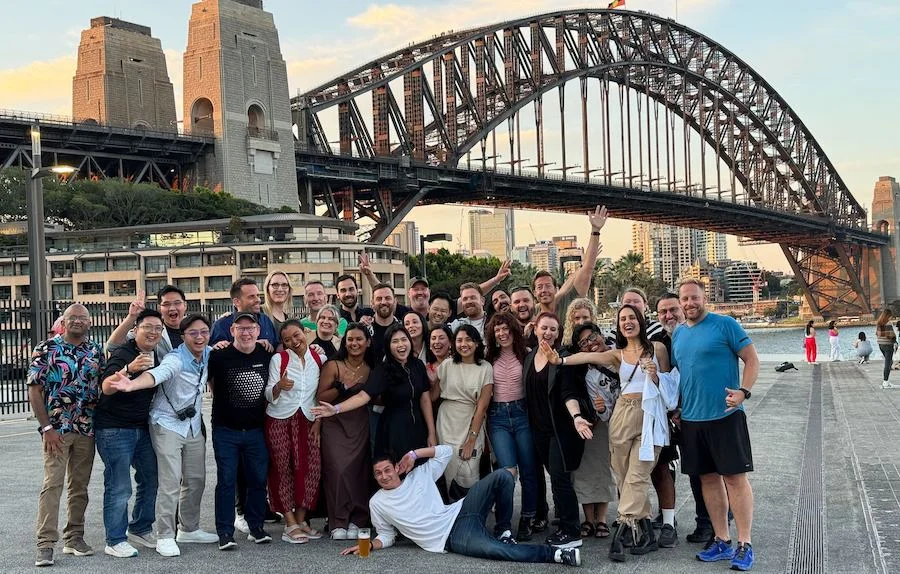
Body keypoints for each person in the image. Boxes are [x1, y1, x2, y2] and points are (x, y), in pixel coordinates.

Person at [545, 305, 674, 561]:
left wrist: (656, 377)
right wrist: (560, 360)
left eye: (631, 317)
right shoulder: (618, 354)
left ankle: (621, 532)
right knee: (626, 478)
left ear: (640, 320)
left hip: (649, 415)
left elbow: (672, 385)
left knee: (637, 477)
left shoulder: (657, 349)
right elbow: (586, 358)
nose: (627, 322)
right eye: (622, 319)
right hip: (622, 416)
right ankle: (646, 532)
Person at [337, 446, 581, 566]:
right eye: (378, 473)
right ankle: (557, 555)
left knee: (504, 475)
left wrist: (413, 454)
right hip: (452, 537)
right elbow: (387, 535)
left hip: (461, 510)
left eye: (387, 469)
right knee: (498, 552)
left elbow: (446, 451)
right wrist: (370, 545)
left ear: (396, 467)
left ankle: (504, 530)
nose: (383, 476)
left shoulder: (419, 474)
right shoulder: (377, 502)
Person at [104, 314, 219, 557]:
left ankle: (189, 528)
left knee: (196, 478)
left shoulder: (209, 352)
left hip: (193, 425)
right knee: (170, 480)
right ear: (183, 336)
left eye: (204, 332)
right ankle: (165, 535)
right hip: (167, 424)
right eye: (193, 333)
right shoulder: (175, 358)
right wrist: (132, 384)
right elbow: (157, 374)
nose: (199, 337)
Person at [673, 279, 759, 571]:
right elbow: (683, 374)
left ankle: (744, 543)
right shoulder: (679, 335)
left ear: (704, 298)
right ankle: (721, 539)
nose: (689, 304)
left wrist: (743, 391)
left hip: (725, 416)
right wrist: (677, 407)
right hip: (692, 421)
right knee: (708, 480)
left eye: (694, 298)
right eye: (684, 299)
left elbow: (752, 359)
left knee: (735, 479)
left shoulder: (726, 325)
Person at [28, 304, 105, 567]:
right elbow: (35, 389)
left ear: (89, 322)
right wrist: (46, 428)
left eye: (82, 318)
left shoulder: (95, 350)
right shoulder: (47, 348)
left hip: (86, 428)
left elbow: (102, 385)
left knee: (79, 486)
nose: (77, 322)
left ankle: (74, 537)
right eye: (72, 318)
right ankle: (45, 544)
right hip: (57, 431)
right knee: (53, 485)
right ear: (63, 321)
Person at [313, 324, 437, 461]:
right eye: (395, 341)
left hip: (418, 427)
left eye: (404, 339)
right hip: (394, 430)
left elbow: (425, 399)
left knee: (421, 471)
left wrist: (431, 432)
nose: (400, 345)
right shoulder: (383, 371)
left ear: (409, 341)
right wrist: (336, 409)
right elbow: (362, 396)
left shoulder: (418, 365)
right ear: (388, 346)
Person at [95, 309, 163, 558]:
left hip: (141, 427)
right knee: (119, 485)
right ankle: (114, 539)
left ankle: (141, 527)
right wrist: (129, 368)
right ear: (136, 330)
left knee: (151, 477)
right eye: (148, 327)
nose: (153, 332)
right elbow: (106, 388)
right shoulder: (123, 352)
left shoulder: (157, 353)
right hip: (114, 429)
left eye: (158, 328)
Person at [206, 313, 276, 550]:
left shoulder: (266, 353)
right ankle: (225, 532)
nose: (246, 333)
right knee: (226, 480)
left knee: (257, 479)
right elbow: (208, 382)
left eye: (251, 328)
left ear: (258, 331)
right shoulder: (219, 355)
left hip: (255, 429)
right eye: (240, 328)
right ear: (232, 330)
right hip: (226, 429)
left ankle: (256, 527)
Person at [525, 312, 592, 550]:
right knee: (553, 477)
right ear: (536, 329)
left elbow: (568, 392)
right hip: (538, 430)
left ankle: (571, 531)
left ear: (559, 332)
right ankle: (563, 523)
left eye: (553, 329)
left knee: (561, 479)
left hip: (560, 430)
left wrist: (576, 417)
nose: (548, 333)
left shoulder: (563, 359)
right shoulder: (530, 356)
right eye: (544, 328)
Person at [657, 293, 715, 545]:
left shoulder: (698, 336)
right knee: (691, 470)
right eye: (663, 312)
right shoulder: (658, 342)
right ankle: (705, 521)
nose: (668, 316)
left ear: (682, 309)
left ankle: (710, 522)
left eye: (673, 310)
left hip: (697, 414)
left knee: (706, 471)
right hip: (673, 417)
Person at [266, 319, 325, 544]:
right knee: (282, 470)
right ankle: (289, 524)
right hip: (280, 419)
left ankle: (301, 520)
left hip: (308, 419)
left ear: (305, 332)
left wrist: (319, 421)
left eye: (297, 335)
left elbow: (322, 392)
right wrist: (279, 386)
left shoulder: (319, 358)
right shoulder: (278, 359)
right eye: (287, 339)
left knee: (310, 469)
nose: (294, 341)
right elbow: (269, 395)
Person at [317, 323, 375, 540]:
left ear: (368, 342)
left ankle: (357, 520)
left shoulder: (371, 368)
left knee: (358, 471)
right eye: (350, 339)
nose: (354, 343)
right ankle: (337, 521)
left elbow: (377, 397)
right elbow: (321, 397)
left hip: (359, 423)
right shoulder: (334, 365)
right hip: (334, 423)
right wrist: (341, 387)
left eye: (359, 339)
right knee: (338, 471)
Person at [484, 313, 539, 541]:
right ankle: (503, 524)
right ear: (493, 334)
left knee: (528, 470)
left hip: (522, 414)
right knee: (507, 472)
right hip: (498, 417)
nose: (502, 333)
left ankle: (527, 518)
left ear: (513, 330)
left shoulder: (526, 355)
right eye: (497, 330)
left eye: (506, 328)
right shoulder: (488, 357)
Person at [430, 325, 493, 501]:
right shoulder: (447, 365)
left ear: (477, 343)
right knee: (447, 466)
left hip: (471, 420)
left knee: (468, 467)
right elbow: (433, 395)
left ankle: (470, 511)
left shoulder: (485, 368)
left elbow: (482, 407)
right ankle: (451, 513)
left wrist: (471, 439)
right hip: (447, 421)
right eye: (459, 340)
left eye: (468, 340)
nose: (463, 344)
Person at [568, 323, 618, 542]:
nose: (591, 343)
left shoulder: (619, 355)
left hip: (619, 423)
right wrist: (597, 411)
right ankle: (588, 518)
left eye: (593, 337)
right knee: (586, 470)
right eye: (583, 343)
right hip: (593, 424)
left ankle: (602, 519)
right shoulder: (586, 371)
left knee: (605, 471)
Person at [533, 206, 607, 316]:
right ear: (534, 293)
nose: (544, 290)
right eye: (539, 287)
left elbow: (587, 270)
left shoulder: (568, 304)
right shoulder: (531, 313)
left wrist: (595, 230)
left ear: (556, 289)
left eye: (548, 286)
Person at [106, 285, 187, 358]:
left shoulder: (196, 329)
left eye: (177, 303)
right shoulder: (152, 330)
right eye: (166, 304)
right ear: (159, 308)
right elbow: (112, 346)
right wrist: (131, 316)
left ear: (185, 305)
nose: (172, 308)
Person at [210, 278, 278, 349]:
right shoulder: (221, 325)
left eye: (258, 295)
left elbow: (275, 346)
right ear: (236, 302)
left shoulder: (265, 320)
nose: (258, 300)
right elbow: (213, 353)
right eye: (251, 297)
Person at [876, 310, 897, 389]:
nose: (891, 317)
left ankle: (887, 382)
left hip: (881, 345)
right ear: (888, 315)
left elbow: (877, 334)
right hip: (888, 345)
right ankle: (885, 382)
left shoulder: (879, 323)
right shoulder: (888, 324)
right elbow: (891, 336)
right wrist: (895, 341)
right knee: (888, 363)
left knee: (889, 362)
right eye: (890, 315)